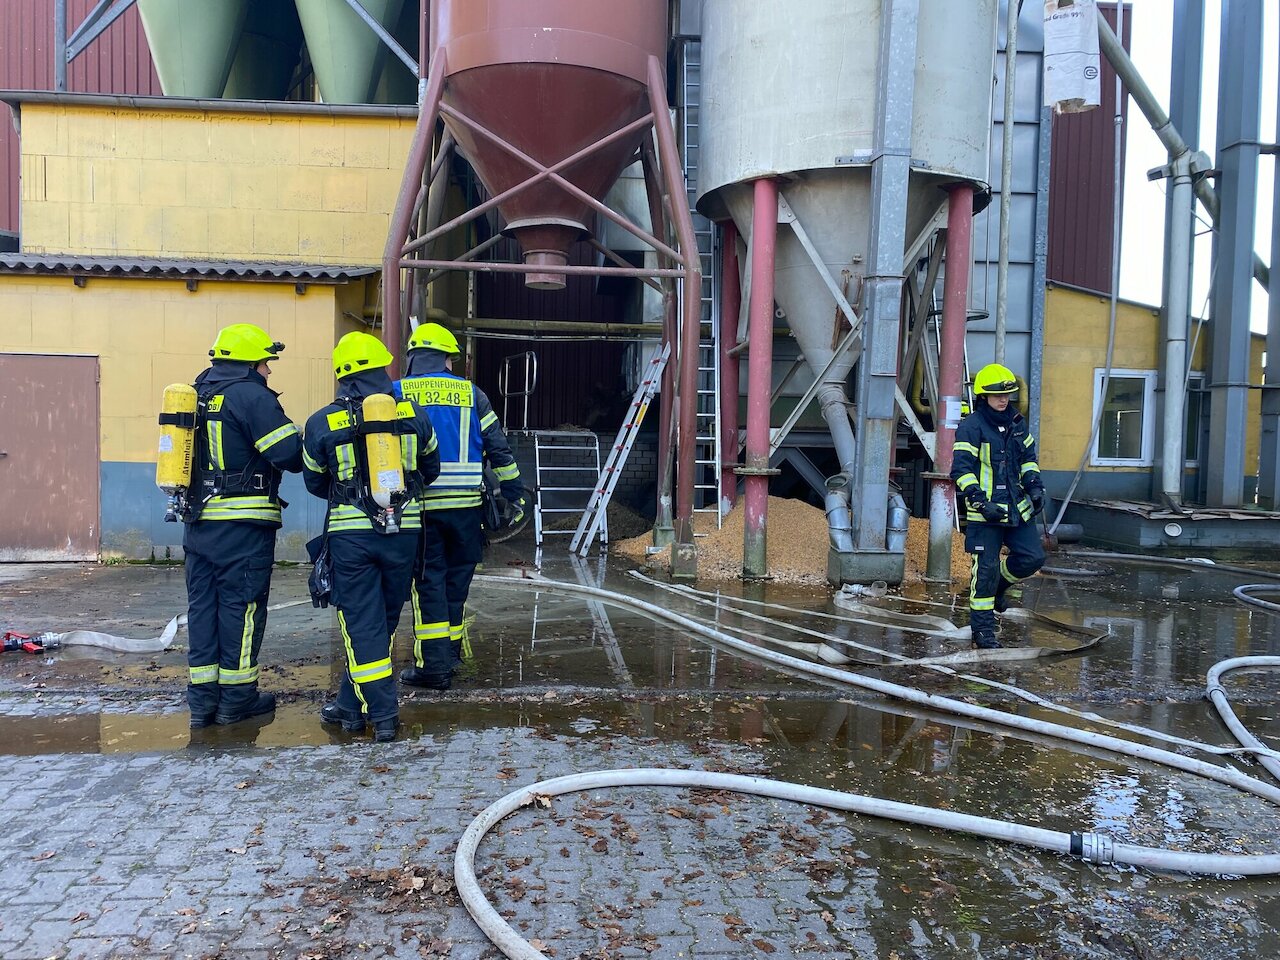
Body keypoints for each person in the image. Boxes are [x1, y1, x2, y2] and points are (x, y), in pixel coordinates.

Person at [303, 332, 440, 742]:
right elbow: (429, 470)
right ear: (383, 369)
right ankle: (348, 704)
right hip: (405, 533)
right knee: (382, 621)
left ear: (343, 375)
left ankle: (382, 715)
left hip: (351, 537)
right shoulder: (414, 413)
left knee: (361, 625)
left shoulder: (322, 421)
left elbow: (313, 481)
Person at [183, 323, 303, 727]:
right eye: (267, 362)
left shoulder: (195, 395)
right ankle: (237, 698)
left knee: (203, 608)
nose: (269, 370)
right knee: (243, 607)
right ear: (251, 362)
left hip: (198, 524)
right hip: (243, 525)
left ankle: (202, 702)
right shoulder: (250, 395)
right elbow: (288, 453)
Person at [395, 322, 526, 691]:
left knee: (428, 584)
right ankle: (449, 651)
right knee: (457, 581)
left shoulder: (395, 392)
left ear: (413, 358)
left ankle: (433, 666)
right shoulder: (472, 393)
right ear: (447, 360)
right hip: (467, 510)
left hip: (421, 507)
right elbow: (498, 447)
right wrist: (514, 490)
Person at [950, 363, 1046, 650]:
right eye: (996, 396)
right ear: (983, 397)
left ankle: (998, 589)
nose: (1003, 400)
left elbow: (1028, 457)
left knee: (1032, 558)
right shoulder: (971, 427)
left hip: (1017, 509)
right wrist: (979, 500)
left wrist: (1035, 486)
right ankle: (983, 632)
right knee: (986, 570)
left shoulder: (1018, 422)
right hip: (985, 514)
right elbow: (961, 470)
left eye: (1007, 395)